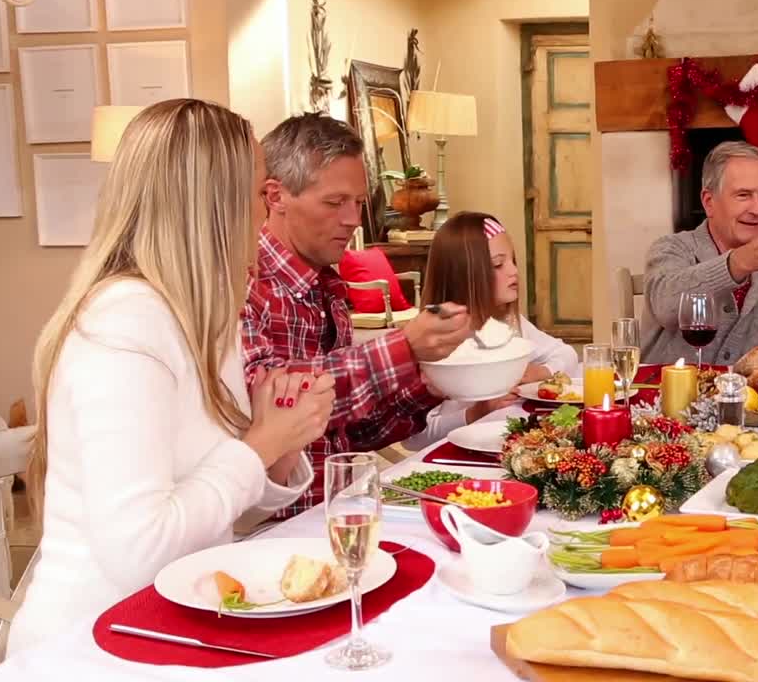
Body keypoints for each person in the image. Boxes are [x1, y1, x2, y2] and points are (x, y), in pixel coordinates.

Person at [9, 99, 333, 655]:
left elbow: (211, 511)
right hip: (92, 646)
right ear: (213, 205)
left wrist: (279, 446)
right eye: (260, 193)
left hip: (175, 622)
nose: (267, 211)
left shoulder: (201, 314)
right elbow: (141, 549)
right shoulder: (123, 326)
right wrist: (256, 448)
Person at [243, 113, 473, 519]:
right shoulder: (245, 284)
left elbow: (353, 434)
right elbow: (275, 408)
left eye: (359, 203)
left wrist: (431, 381)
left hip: (341, 516)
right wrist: (403, 347)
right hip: (274, 532)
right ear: (275, 196)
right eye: (335, 203)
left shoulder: (326, 286)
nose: (352, 220)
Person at [405, 212, 578, 449]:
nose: (514, 271)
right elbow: (415, 438)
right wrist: (476, 412)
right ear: (465, 275)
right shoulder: (435, 339)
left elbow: (567, 355)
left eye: (512, 261)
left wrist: (539, 372)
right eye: (498, 264)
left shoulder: (508, 322)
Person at [640, 140, 758, 366]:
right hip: (668, 397)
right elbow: (666, 307)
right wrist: (739, 262)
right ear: (709, 202)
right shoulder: (671, 249)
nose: (757, 210)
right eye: (743, 195)